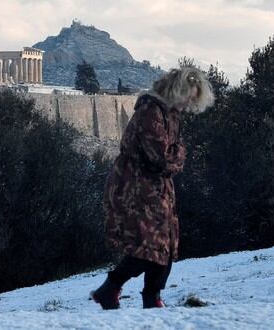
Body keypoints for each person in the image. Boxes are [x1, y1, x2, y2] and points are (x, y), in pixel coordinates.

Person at [91, 66, 215, 309]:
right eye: (188, 96)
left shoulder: (169, 113)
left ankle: (147, 296)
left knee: (163, 245)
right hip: (136, 188)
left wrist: (175, 153)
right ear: (177, 91)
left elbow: (167, 155)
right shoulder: (151, 111)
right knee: (148, 247)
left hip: (155, 187)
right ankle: (117, 288)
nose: (189, 103)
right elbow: (162, 156)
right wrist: (180, 152)